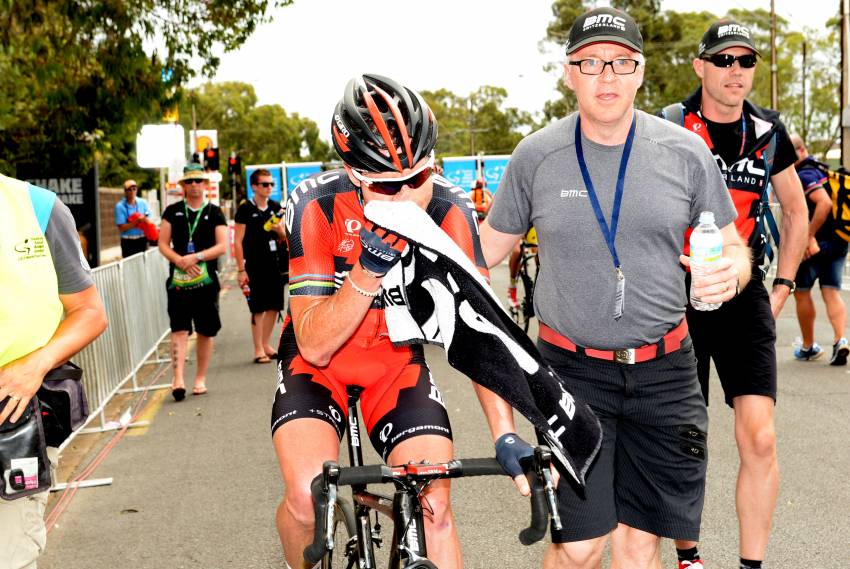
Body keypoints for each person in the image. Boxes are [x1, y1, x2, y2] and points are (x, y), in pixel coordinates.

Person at [478, 8, 749, 568]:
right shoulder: (536, 156)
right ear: (568, 72)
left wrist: (733, 271)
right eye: (592, 63)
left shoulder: (686, 152)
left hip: (666, 371)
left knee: (639, 543)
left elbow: (734, 247)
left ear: (641, 71)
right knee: (577, 548)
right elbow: (482, 253)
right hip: (571, 373)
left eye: (621, 63)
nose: (607, 76)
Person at [272, 73, 516, 569]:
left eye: (418, 178)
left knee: (436, 505)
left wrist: (504, 433)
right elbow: (314, 344)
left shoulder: (449, 208)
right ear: (353, 171)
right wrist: (369, 267)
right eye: (387, 185)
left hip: (394, 365)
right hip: (317, 367)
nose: (406, 196)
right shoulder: (316, 205)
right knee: (304, 495)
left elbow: (482, 331)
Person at [664, 20, 808, 569]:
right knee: (683, 438)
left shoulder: (769, 132)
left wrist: (783, 285)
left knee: (761, 438)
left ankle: (752, 565)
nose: (735, 71)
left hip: (744, 292)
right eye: (723, 60)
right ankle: (689, 557)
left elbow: (796, 213)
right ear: (700, 66)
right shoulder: (671, 127)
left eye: (745, 61)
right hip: (677, 293)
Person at [0, 172, 107, 568]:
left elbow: (90, 312)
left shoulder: (38, 207)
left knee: (9, 557)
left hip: (12, 419)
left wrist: (35, 365)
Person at [157, 163, 227, 401]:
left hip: (206, 283)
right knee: (179, 329)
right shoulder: (173, 211)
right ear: (183, 186)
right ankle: (177, 378)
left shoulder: (214, 211)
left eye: (198, 181)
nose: (194, 185)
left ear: (205, 184)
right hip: (178, 282)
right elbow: (163, 243)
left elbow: (222, 246)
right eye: (190, 182)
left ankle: (200, 378)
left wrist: (196, 257)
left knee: (206, 331)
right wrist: (180, 260)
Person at [789, 133, 850, 364]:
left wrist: (808, 236)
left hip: (814, 245)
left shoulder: (804, 174)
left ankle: (808, 347)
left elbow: (823, 203)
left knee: (802, 292)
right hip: (838, 241)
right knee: (831, 291)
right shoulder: (823, 170)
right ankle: (840, 340)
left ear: (800, 151)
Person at [234, 169, 287, 364]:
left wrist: (280, 230)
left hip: (274, 264)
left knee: (274, 306)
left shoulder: (275, 207)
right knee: (258, 307)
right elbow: (237, 241)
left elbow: (284, 238)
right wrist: (241, 269)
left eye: (271, 184)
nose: (269, 188)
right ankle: (258, 349)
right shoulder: (245, 209)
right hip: (254, 265)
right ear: (254, 187)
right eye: (265, 184)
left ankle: (266, 344)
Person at [115, 179, 152, 258]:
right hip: (128, 241)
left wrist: (144, 218)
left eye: (134, 188)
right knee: (129, 267)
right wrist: (136, 222)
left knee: (142, 266)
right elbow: (121, 228)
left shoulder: (143, 202)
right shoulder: (120, 206)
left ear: (137, 190)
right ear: (125, 191)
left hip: (142, 239)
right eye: (129, 189)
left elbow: (149, 217)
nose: (132, 191)